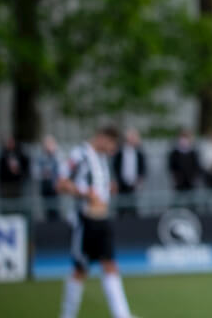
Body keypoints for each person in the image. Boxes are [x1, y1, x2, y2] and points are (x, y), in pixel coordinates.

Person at [57, 125, 138, 318]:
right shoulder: (80, 154)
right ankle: (67, 315)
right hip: (85, 220)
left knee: (110, 264)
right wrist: (84, 193)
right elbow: (61, 183)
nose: (111, 149)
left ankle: (122, 314)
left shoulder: (101, 158)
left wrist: (107, 189)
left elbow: (97, 185)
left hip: (103, 219)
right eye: (110, 143)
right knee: (80, 269)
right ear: (101, 138)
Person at [112, 129, 146, 218]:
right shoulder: (119, 152)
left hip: (134, 184)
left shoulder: (139, 153)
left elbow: (143, 168)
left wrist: (139, 180)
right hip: (121, 184)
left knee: (134, 207)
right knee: (121, 207)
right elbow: (115, 167)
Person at [167, 129, 201, 205]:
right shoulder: (174, 153)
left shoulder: (193, 153)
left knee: (192, 201)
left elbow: (197, 167)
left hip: (190, 180)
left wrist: (194, 177)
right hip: (179, 181)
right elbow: (171, 167)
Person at [36, 135, 64, 220]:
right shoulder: (40, 157)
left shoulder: (58, 156)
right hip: (45, 185)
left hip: (55, 185)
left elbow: (62, 170)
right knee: (46, 206)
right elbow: (35, 172)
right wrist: (43, 174)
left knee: (56, 206)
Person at [0, 136, 29, 203]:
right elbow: (0, 169)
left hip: (18, 182)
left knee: (18, 201)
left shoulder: (20, 153)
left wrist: (20, 172)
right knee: (7, 201)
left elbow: (25, 165)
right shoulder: (3, 154)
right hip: (6, 183)